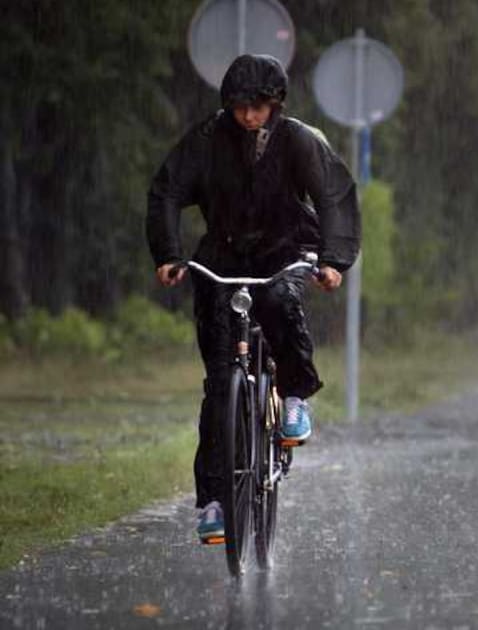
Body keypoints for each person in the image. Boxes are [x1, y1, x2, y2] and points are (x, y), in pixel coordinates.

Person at [146, 54, 360, 543]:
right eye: (241, 107)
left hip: (285, 248)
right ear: (228, 104)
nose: (249, 116)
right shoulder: (204, 140)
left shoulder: (300, 141)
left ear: (276, 104)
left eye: (259, 107)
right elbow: (166, 193)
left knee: (280, 303)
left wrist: (332, 261)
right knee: (221, 384)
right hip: (220, 255)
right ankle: (216, 501)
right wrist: (169, 253)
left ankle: (295, 396)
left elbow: (335, 196)